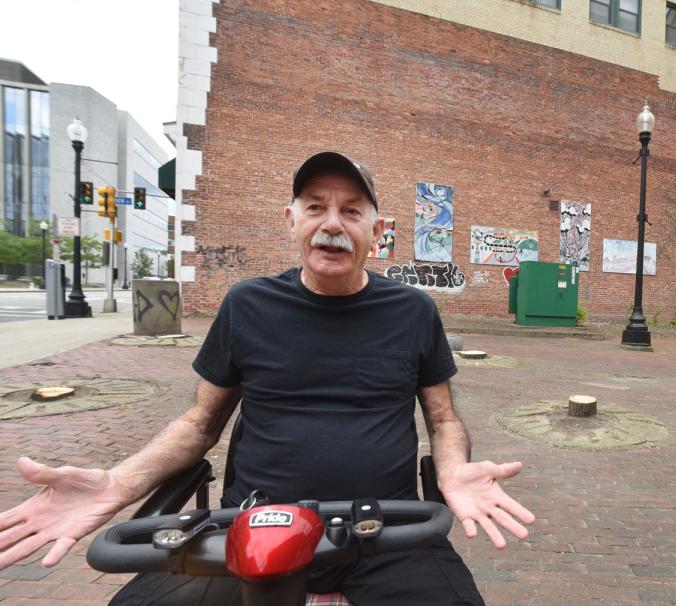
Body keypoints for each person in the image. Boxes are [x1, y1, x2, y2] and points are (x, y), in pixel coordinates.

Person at [0, 152, 535, 605]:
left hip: (383, 531)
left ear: (377, 230)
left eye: (351, 211)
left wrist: (454, 473)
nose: (331, 223)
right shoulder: (247, 305)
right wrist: (119, 483)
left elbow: (442, 419)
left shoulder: (414, 310)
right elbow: (199, 423)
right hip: (249, 529)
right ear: (291, 220)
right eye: (315, 208)